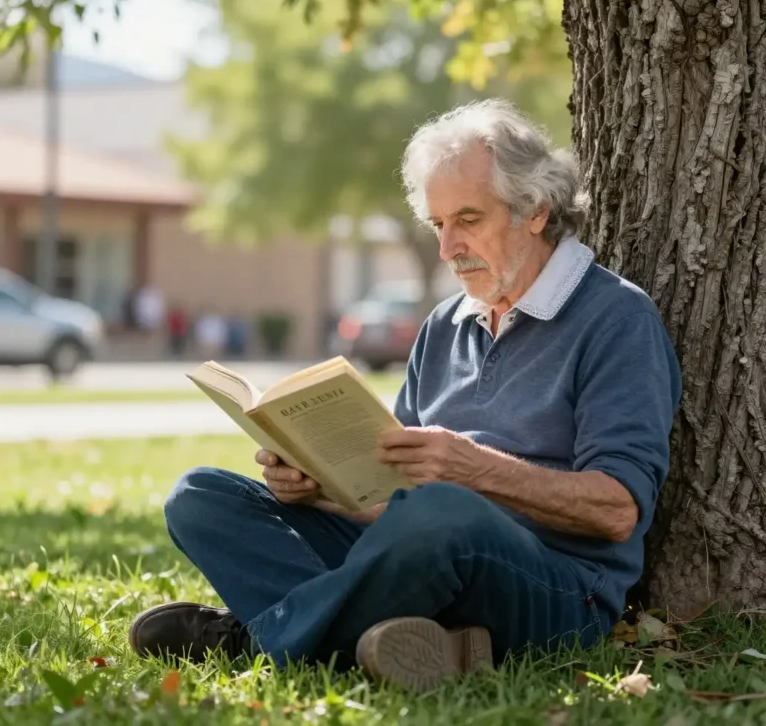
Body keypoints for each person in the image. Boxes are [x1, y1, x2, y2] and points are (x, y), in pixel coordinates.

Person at [128, 99, 682, 692]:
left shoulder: (617, 317)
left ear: (536, 211)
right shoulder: (445, 324)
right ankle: (420, 643)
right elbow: (391, 503)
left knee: (445, 510)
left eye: (468, 219)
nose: (448, 248)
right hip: (421, 552)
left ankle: (252, 639)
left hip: (560, 591)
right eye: (438, 225)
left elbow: (619, 510)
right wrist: (319, 489)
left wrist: (475, 470)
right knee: (201, 496)